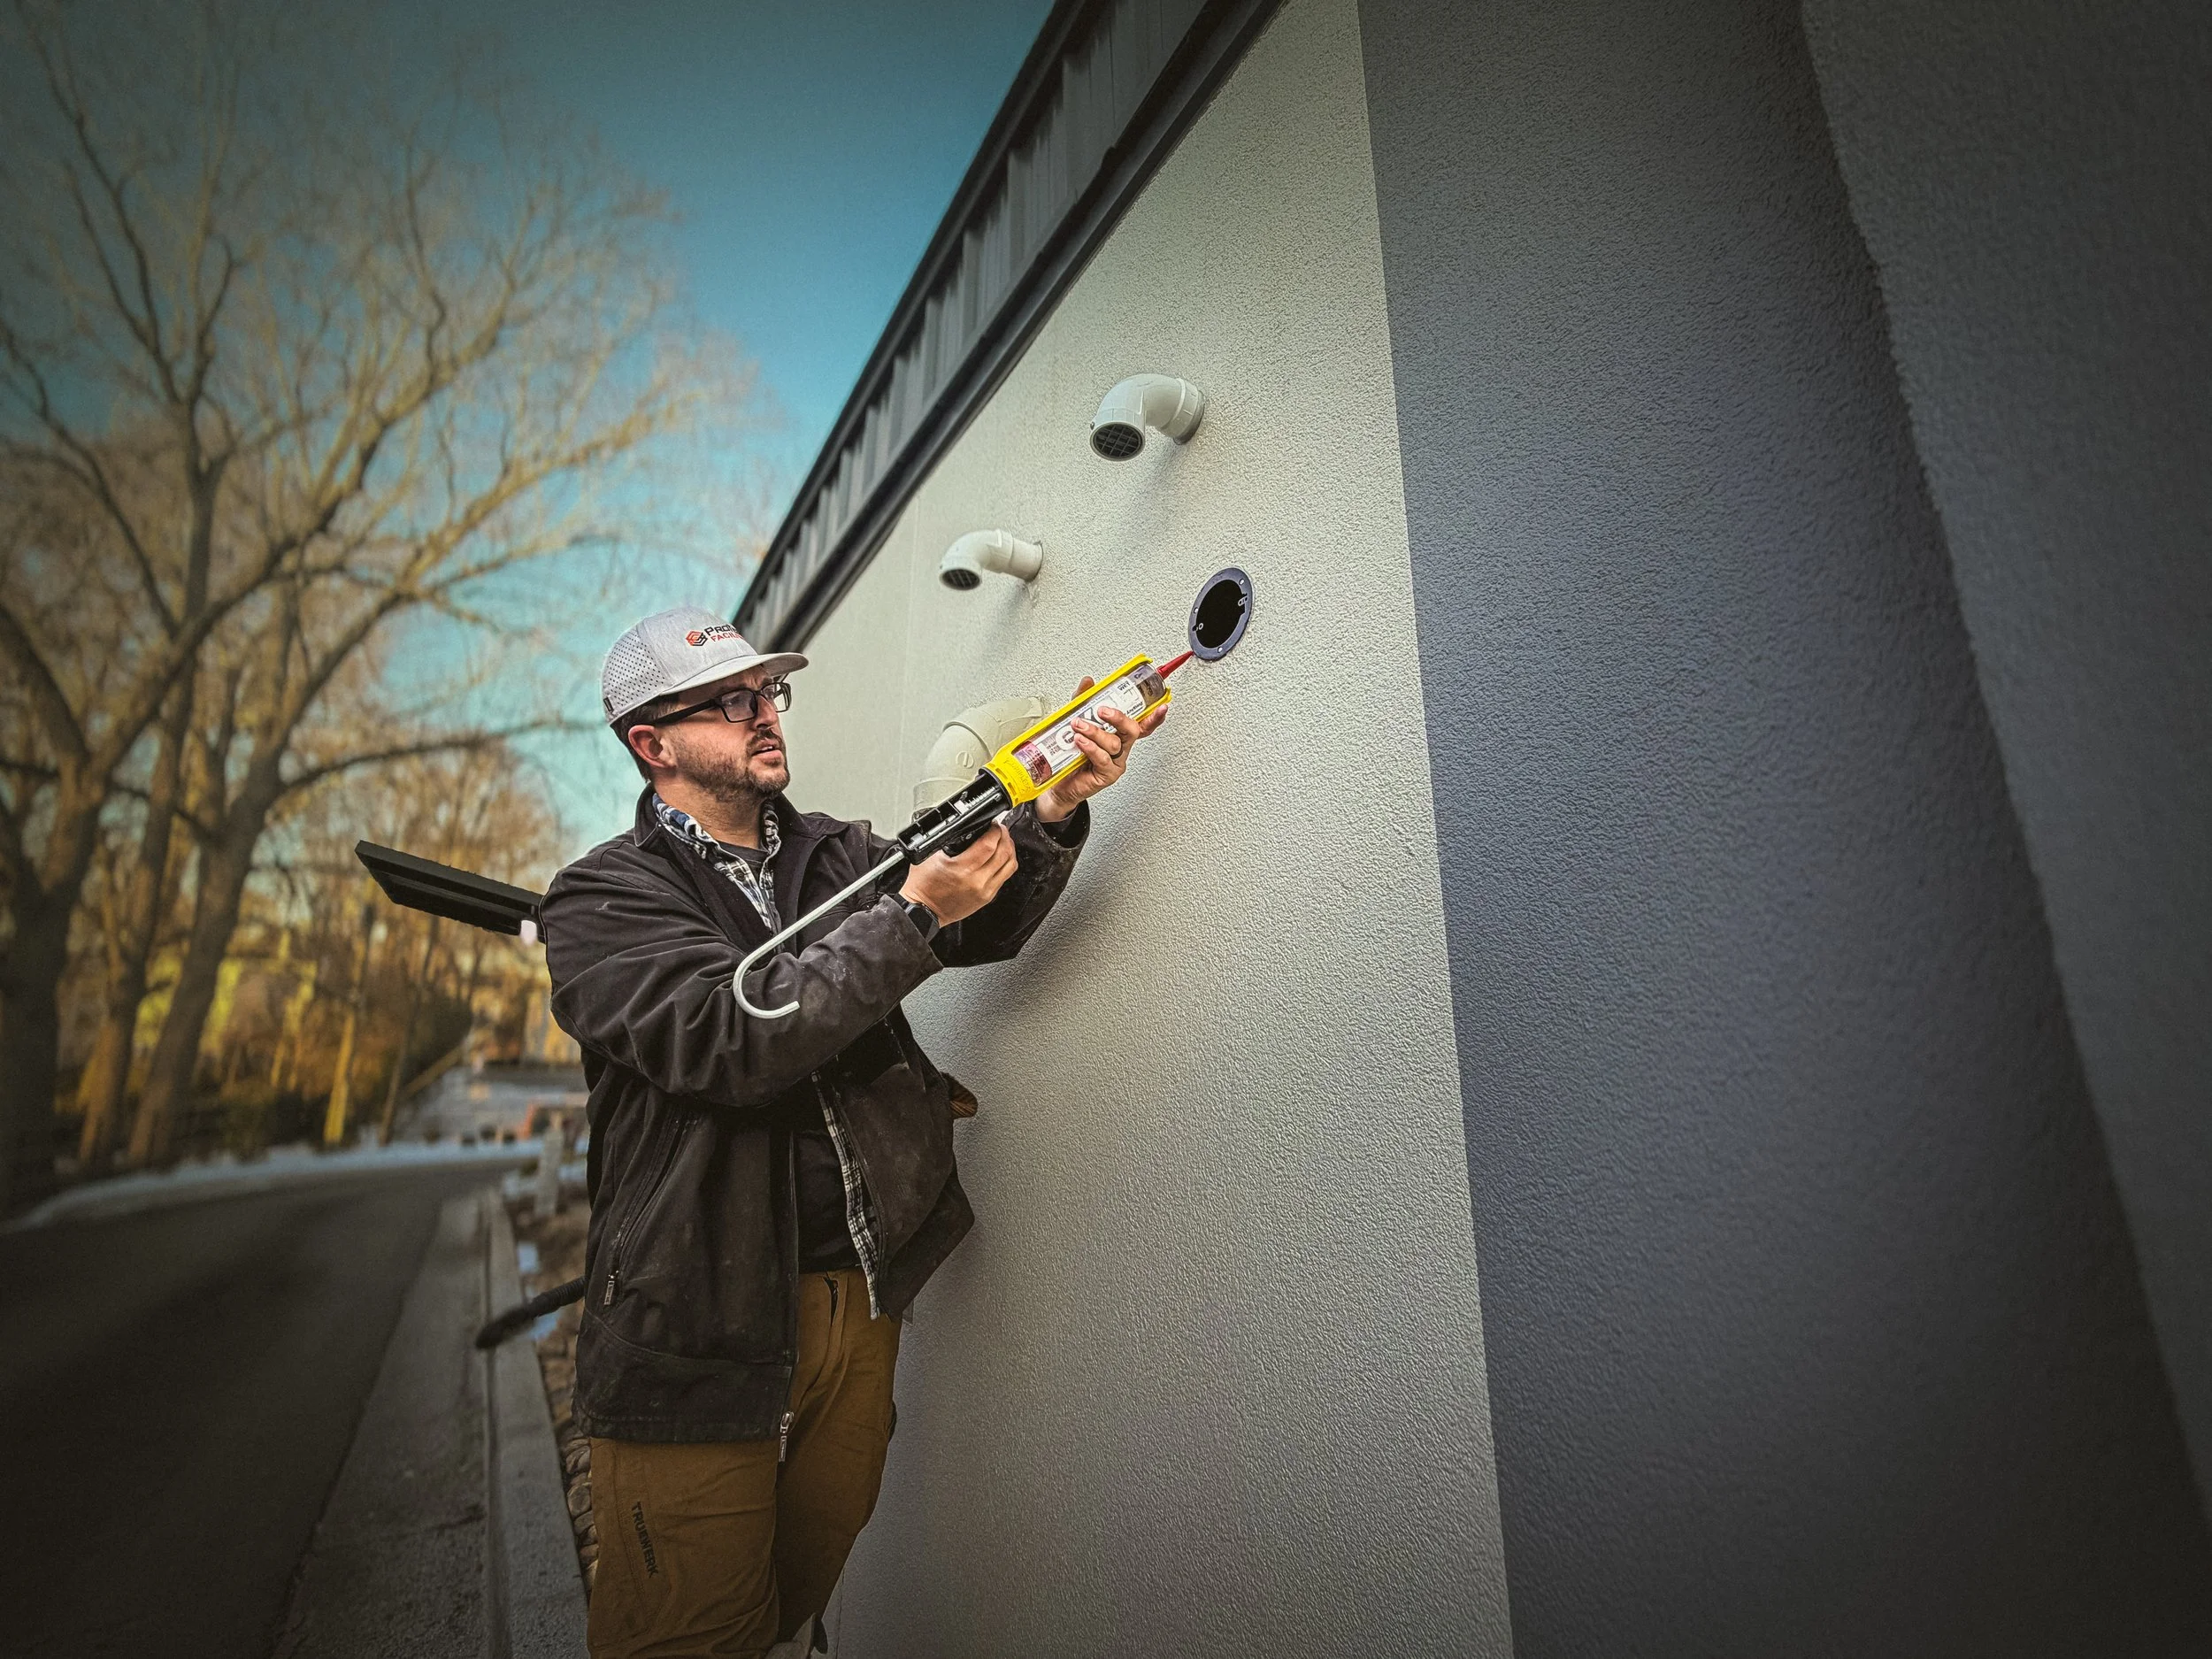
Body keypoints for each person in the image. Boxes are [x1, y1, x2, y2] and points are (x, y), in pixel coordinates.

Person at [543, 606, 1162, 1658]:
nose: (761, 714)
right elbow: (726, 1035)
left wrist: (1051, 813)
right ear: (651, 744)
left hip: (853, 1296)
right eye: (729, 701)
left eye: (767, 693)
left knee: (795, 1585)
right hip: (692, 1318)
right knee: (687, 1630)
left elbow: (980, 920)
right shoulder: (601, 897)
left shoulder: (837, 854)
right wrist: (911, 916)